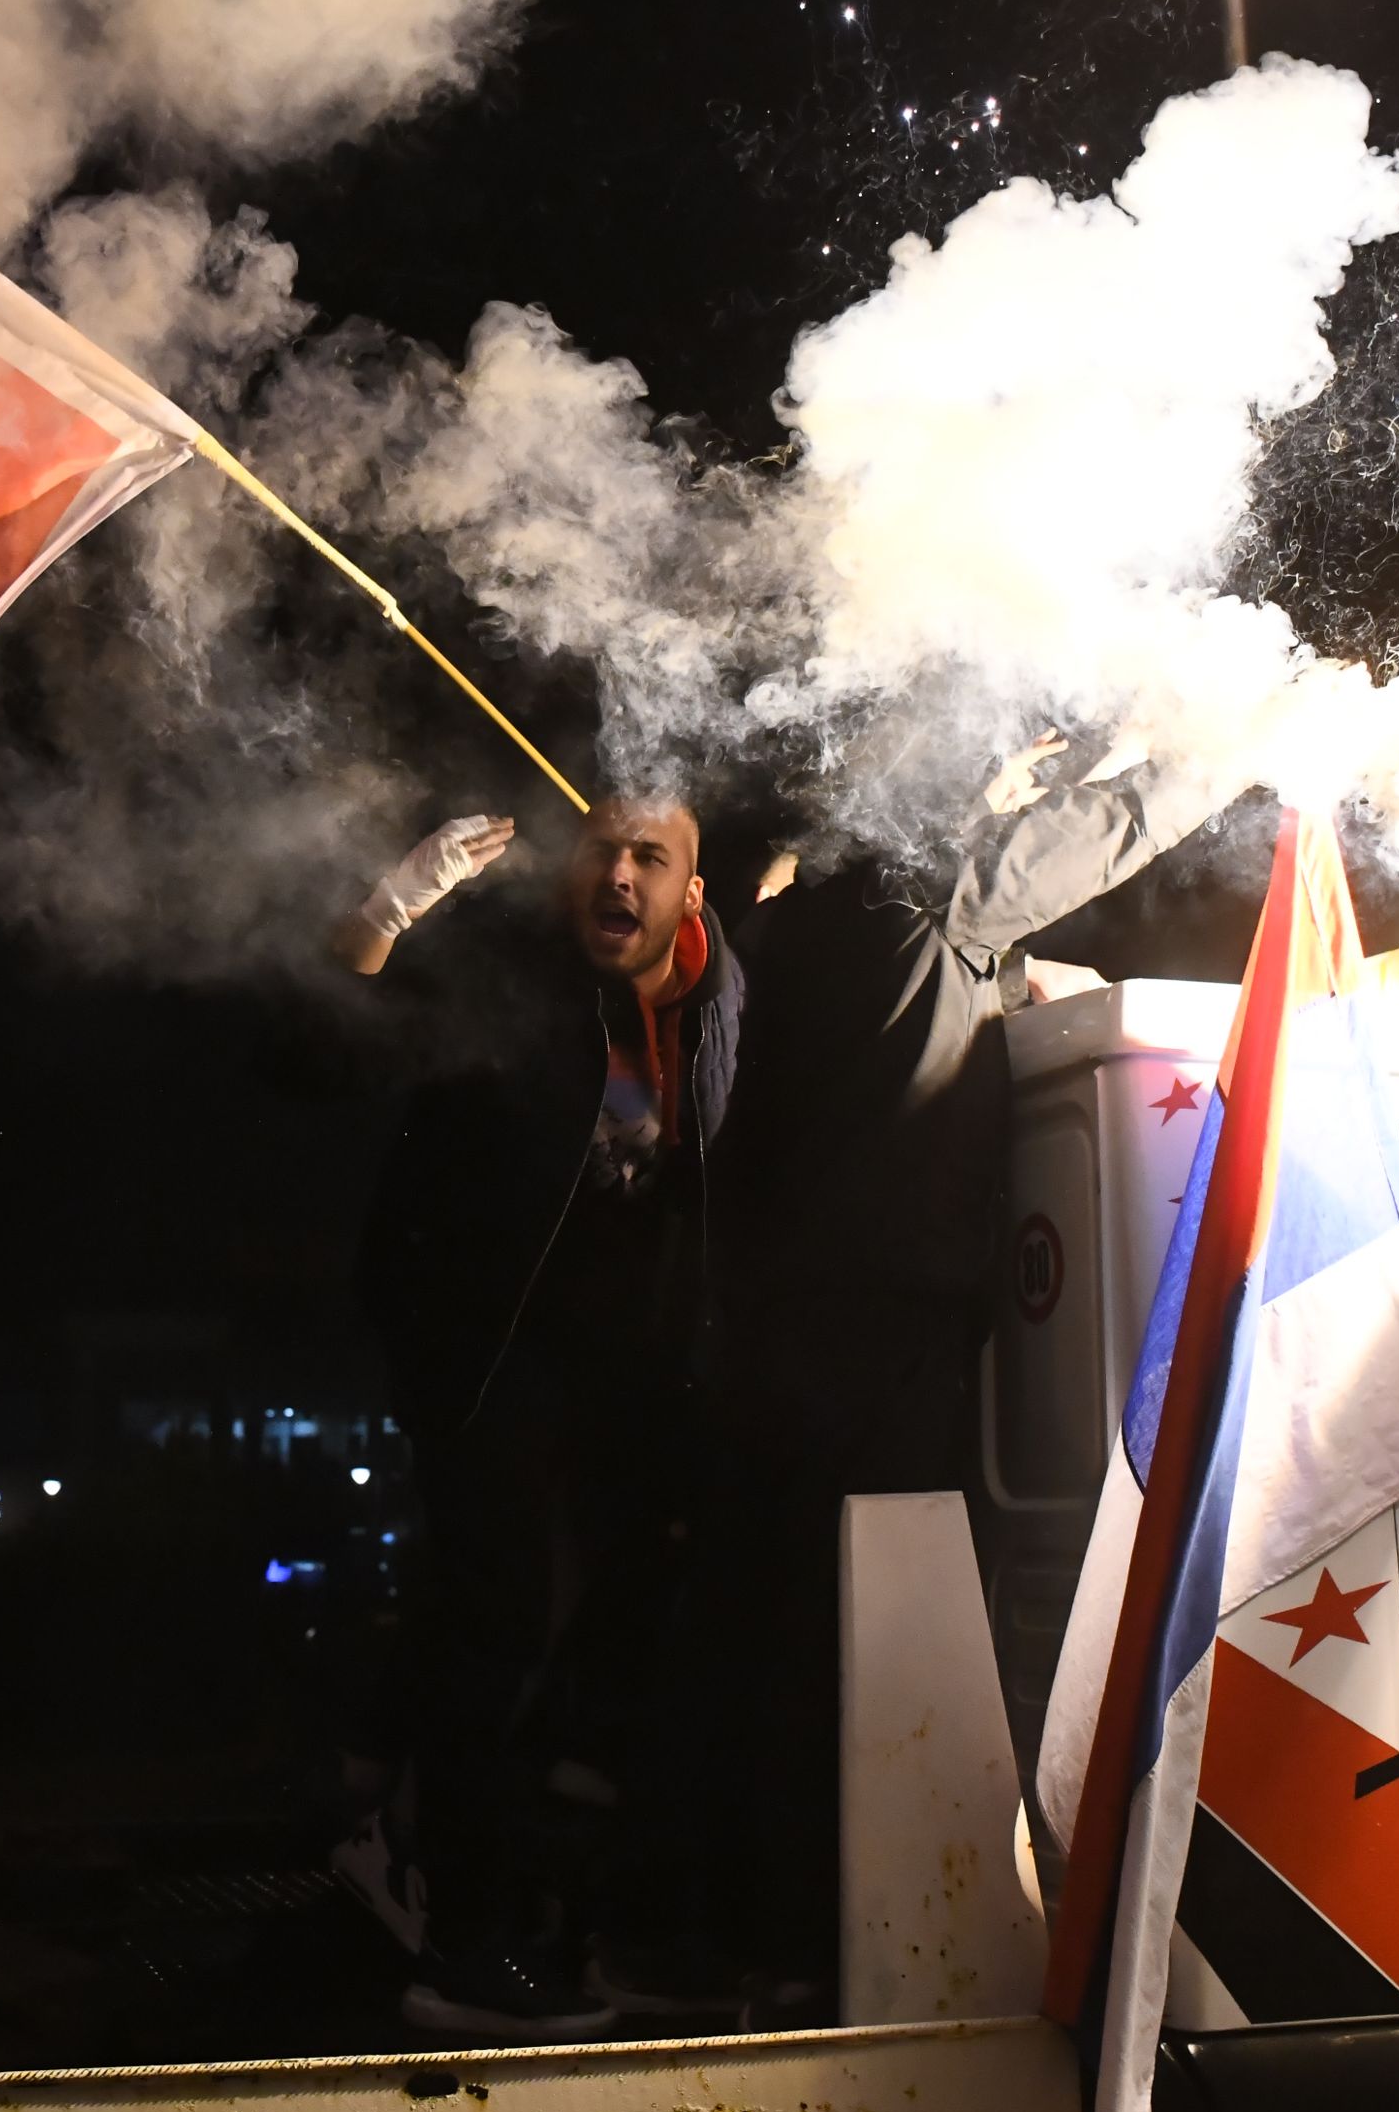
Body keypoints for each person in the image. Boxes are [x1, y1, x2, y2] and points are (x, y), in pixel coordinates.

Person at [346, 744, 1218, 2037]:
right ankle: (521, 1920)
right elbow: (1098, 831)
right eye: (612, 849)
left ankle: (650, 1939)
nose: (627, 876)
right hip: (644, 1367)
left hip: (689, 1375)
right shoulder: (903, 900)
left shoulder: (771, 944)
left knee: (690, 1662)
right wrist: (1235, 738)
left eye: (656, 858)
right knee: (756, 1661)